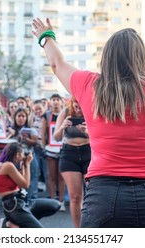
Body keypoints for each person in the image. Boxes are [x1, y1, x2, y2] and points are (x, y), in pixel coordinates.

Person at [32, 18, 145, 227]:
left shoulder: (89, 84)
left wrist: (46, 37)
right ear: (141, 56)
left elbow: (57, 64)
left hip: (104, 196)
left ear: (107, 57)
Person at [0, 143, 60, 228]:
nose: (23, 156)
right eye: (22, 154)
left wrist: (23, 166)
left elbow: (21, 183)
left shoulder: (5, 165)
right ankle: (9, 224)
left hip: (22, 202)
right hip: (14, 206)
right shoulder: (8, 165)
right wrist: (28, 164)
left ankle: (15, 224)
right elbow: (26, 184)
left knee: (54, 205)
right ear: (17, 155)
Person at [53, 97, 90, 227]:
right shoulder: (65, 112)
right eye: (76, 106)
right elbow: (56, 137)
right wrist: (62, 127)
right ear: (72, 102)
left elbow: (100, 136)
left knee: (91, 194)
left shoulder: (91, 111)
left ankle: (91, 226)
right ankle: (78, 229)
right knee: (75, 196)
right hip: (69, 153)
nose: (78, 109)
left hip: (88, 152)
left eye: (81, 106)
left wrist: (86, 132)